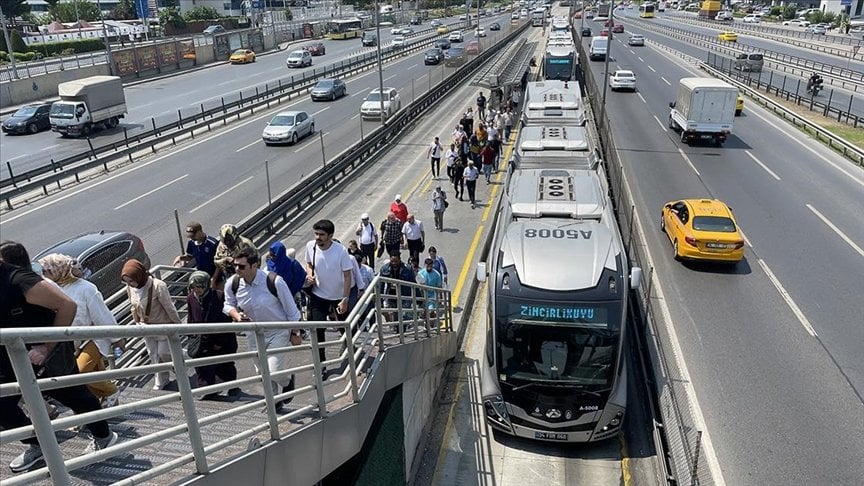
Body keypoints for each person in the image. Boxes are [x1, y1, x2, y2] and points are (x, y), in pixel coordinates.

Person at [1, 250, 118, 473]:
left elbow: (68, 306)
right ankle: (40, 446)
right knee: (3, 406)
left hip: (42, 356)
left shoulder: (18, 279)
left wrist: (45, 346)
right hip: (10, 359)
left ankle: (104, 436)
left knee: (75, 396)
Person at [39, 254, 122, 408]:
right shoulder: (52, 288)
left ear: (59, 271)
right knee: (93, 374)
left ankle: (111, 392)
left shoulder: (86, 288)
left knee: (81, 372)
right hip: (71, 342)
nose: (44, 275)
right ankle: (99, 405)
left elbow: (102, 314)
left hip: (92, 338)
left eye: (47, 272)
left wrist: (116, 338)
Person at [224, 248, 301, 413]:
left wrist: (295, 333)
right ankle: (274, 402)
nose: (237, 270)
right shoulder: (233, 283)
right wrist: (236, 315)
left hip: (277, 331)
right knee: (261, 371)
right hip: (253, 333)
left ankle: (288, 382)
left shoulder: (274, 281)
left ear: (254, 266)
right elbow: (228, 304)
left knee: (273, 370)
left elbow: (292, 311)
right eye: (235, 266)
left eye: (242, 267)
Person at [122, 259, 183, 391]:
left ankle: (181, 365)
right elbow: (133, 306)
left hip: (163, 327)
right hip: (145, 328)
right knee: (153, 355)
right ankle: (161, 380)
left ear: (139, 275)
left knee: (164, 353)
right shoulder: (130, 288)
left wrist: (178, 326)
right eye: (127, 282)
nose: (130, 284)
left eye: (131, 281)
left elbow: (169, 308)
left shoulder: (157, 286)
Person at [304, 220, 354, 369]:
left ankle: (350, 350)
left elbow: (347, 276)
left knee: (344, 327)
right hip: (319, 296)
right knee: (318, 330)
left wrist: (345, 298)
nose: (318, 237)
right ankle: (321, 364)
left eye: (322, 235)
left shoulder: (341, 251)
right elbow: (308, 263)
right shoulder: (310, 246)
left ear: (330, 236)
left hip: (338, 297)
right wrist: (310, 274)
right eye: (316, 234)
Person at [186, 271, 240, 401]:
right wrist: (191, 335)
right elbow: (191, 317)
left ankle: (232, 385)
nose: (196, 290)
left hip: (221, 338)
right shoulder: (190, 298)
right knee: (201, 364)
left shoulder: (219, 297)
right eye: (193, 287)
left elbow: (226, 321)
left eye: (199, 287)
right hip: (201, 338)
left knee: (224, 365)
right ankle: (206, 389)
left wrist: (220, 342)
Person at [378, 253, 417, 329]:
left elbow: (413, 284)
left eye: (396, 261)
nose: (394, 263)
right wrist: (380, 300)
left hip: (405, 295)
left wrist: (419, 299)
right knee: (395, 316)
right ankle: (398, 331)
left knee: (404, 315)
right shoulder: (384, 269)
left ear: (400, 259)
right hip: (392, 296)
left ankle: (403, 329)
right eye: (392, 261)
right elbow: (381, 285)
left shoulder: (408, 269)